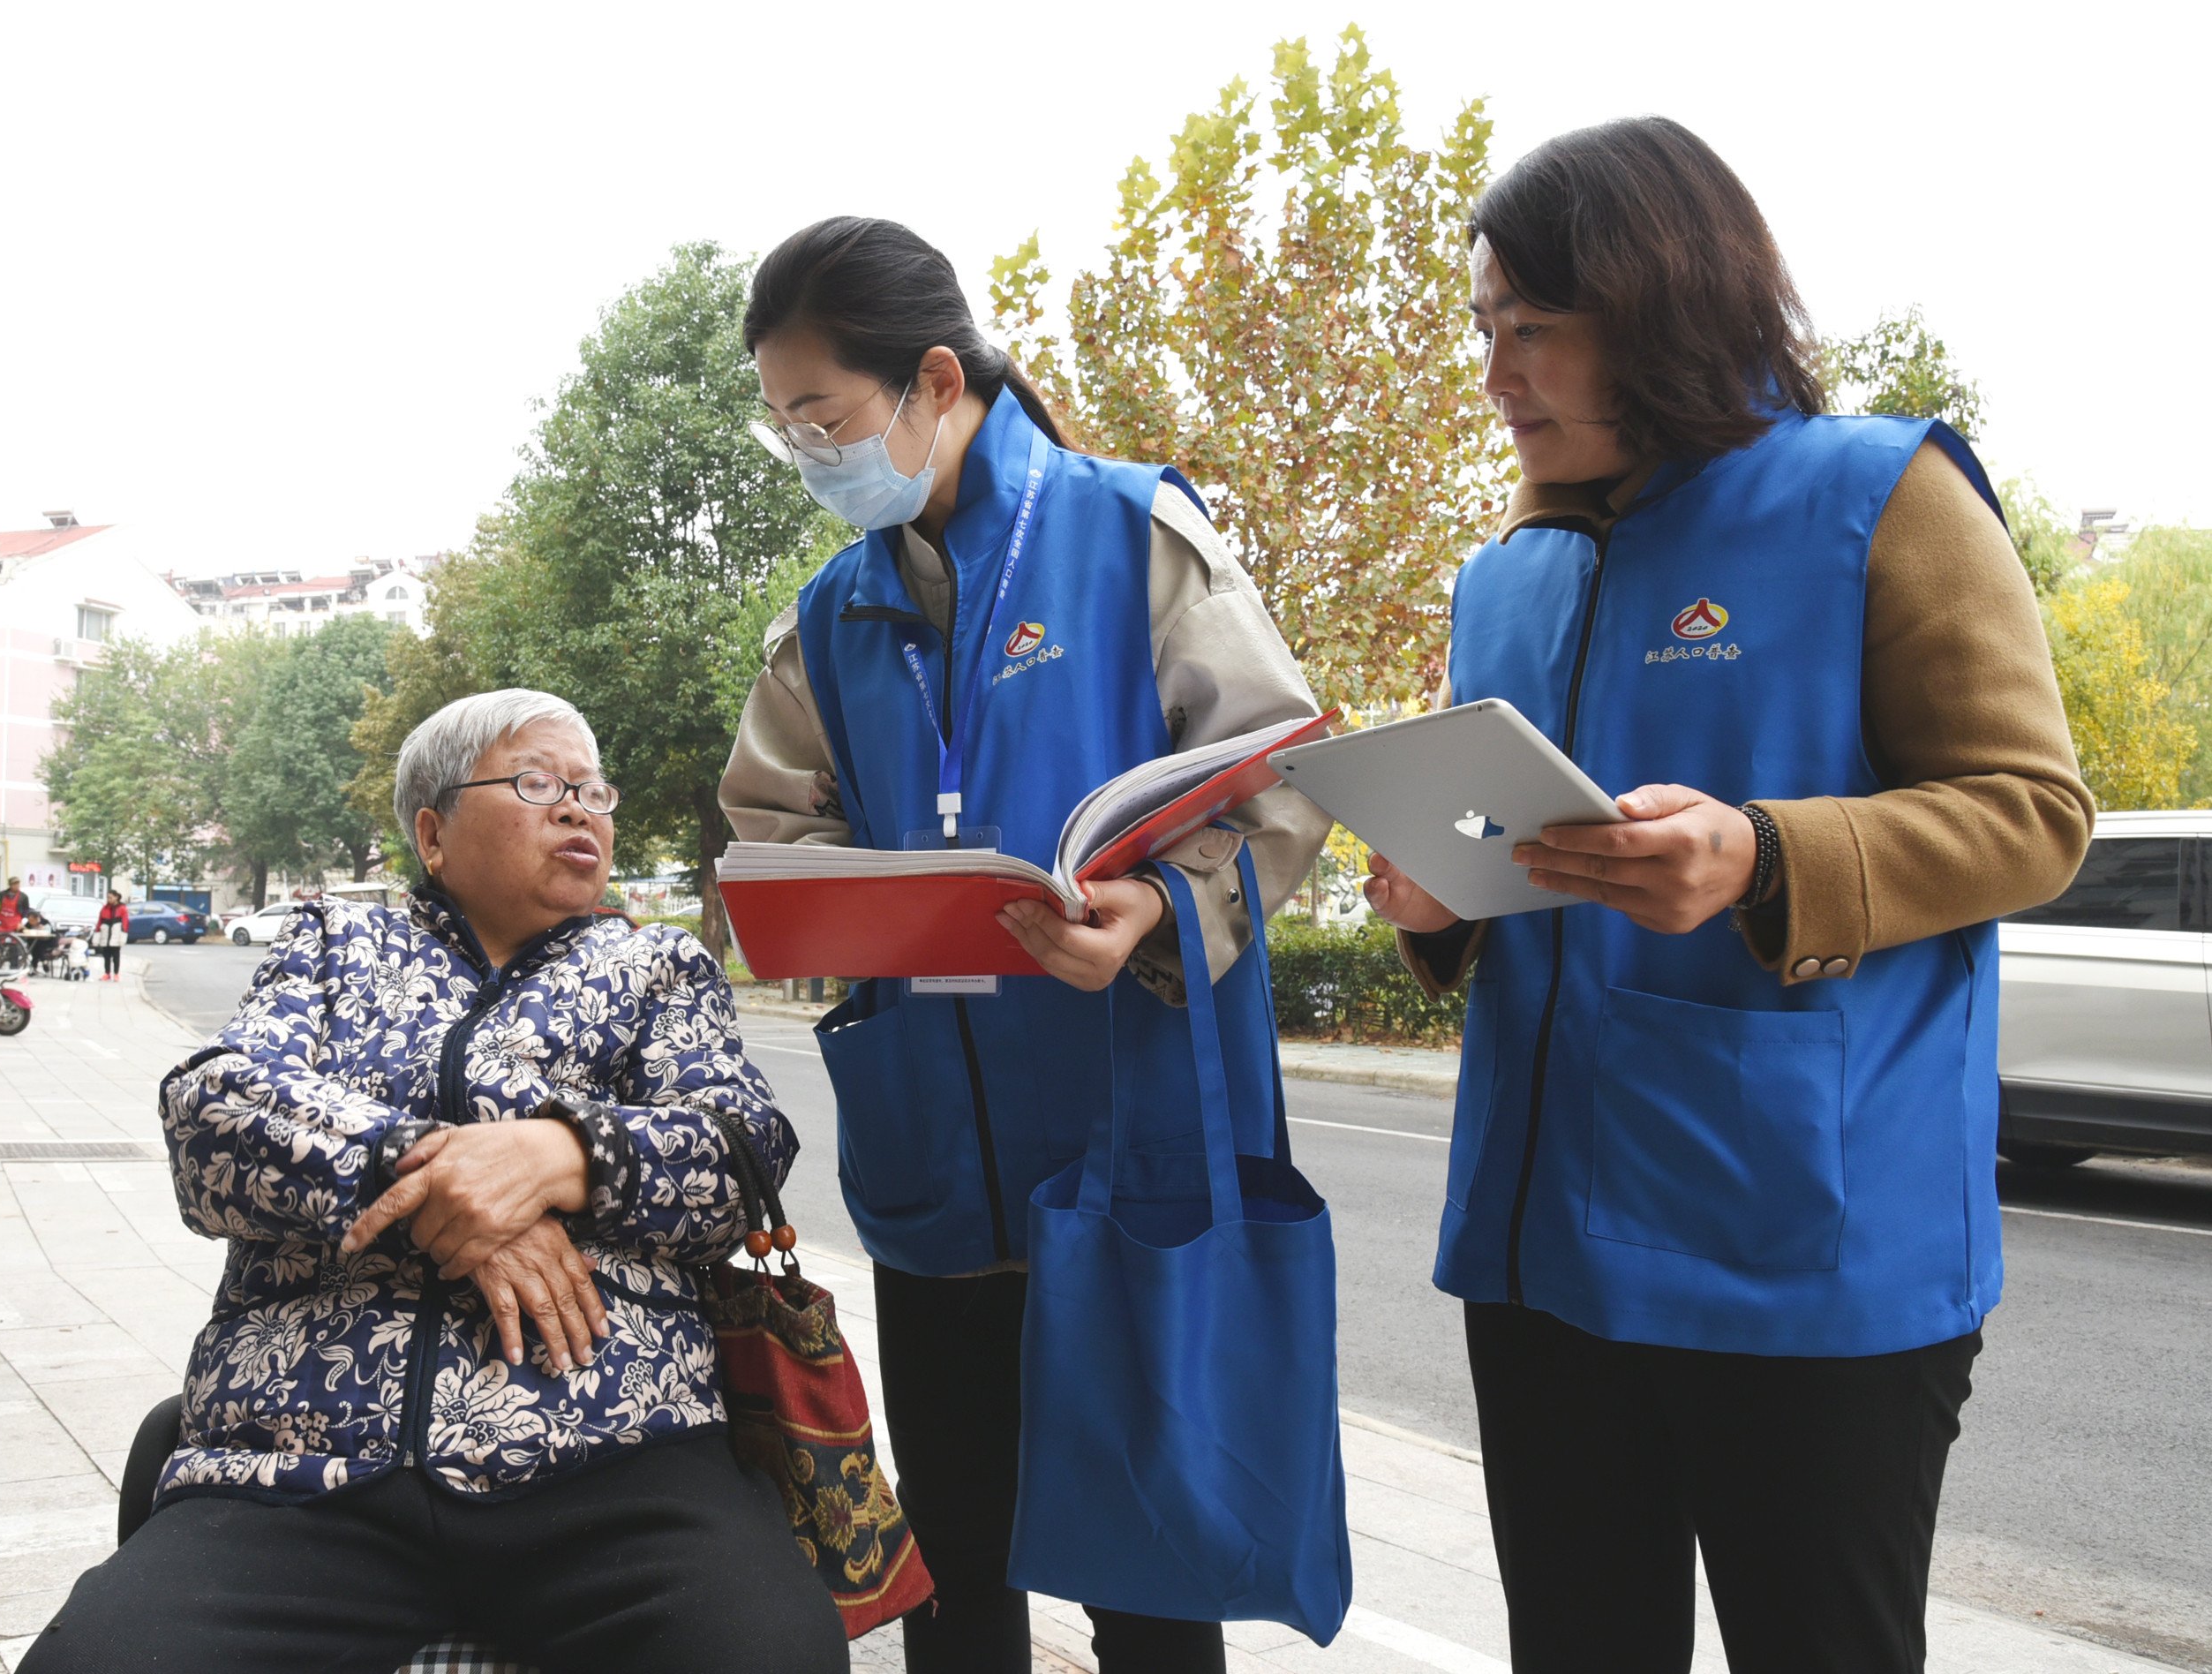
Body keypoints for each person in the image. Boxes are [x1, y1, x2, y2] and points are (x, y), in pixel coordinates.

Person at [1360, 118, 2094, 1674]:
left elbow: (2032, 814)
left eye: (1534, 330)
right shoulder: (1505, 574)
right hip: (1545, 1247)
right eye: (1486, 328)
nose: (1496, 373)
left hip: (1808, 1257)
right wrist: (1438, 906)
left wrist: (1764, 856)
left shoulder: (1878, 497)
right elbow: (1510, 867)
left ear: (1662, 304)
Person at [719, 216, 1332, 1674]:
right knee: (957, 1559)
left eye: (829, 418)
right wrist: (822, 908)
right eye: (787, 426)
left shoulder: (1131, 536)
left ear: (937, 381)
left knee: (1150, 1567)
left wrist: (1165, 910)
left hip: (1126, 1138)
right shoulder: (832, 615)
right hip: (936, 1152)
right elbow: (761, 831)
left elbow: (1281, 781)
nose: (812, 454)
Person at [19, 689, 846, 1674]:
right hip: (306, 1464)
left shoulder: (657, 966)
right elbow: (214, 1116)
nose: (580, 808)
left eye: (593, 789)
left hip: (618, 1461)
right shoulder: (335, 946)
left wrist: (562, 1156)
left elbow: (741, 1146)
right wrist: (439, 1178)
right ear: (433, 832)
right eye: (538, 783)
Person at [90, 891, 129, 979]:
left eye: (111, 897)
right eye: (108, 897)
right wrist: (97, 935)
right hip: (105, 935)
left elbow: (125, 923)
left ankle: (116, 974)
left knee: (116, 955)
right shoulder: (104, 908)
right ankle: (107, 973)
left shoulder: (122, 908)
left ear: (116, 897)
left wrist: (123, 936)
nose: (109, 899)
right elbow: (100, 922)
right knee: (106, 956)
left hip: (116, 935)